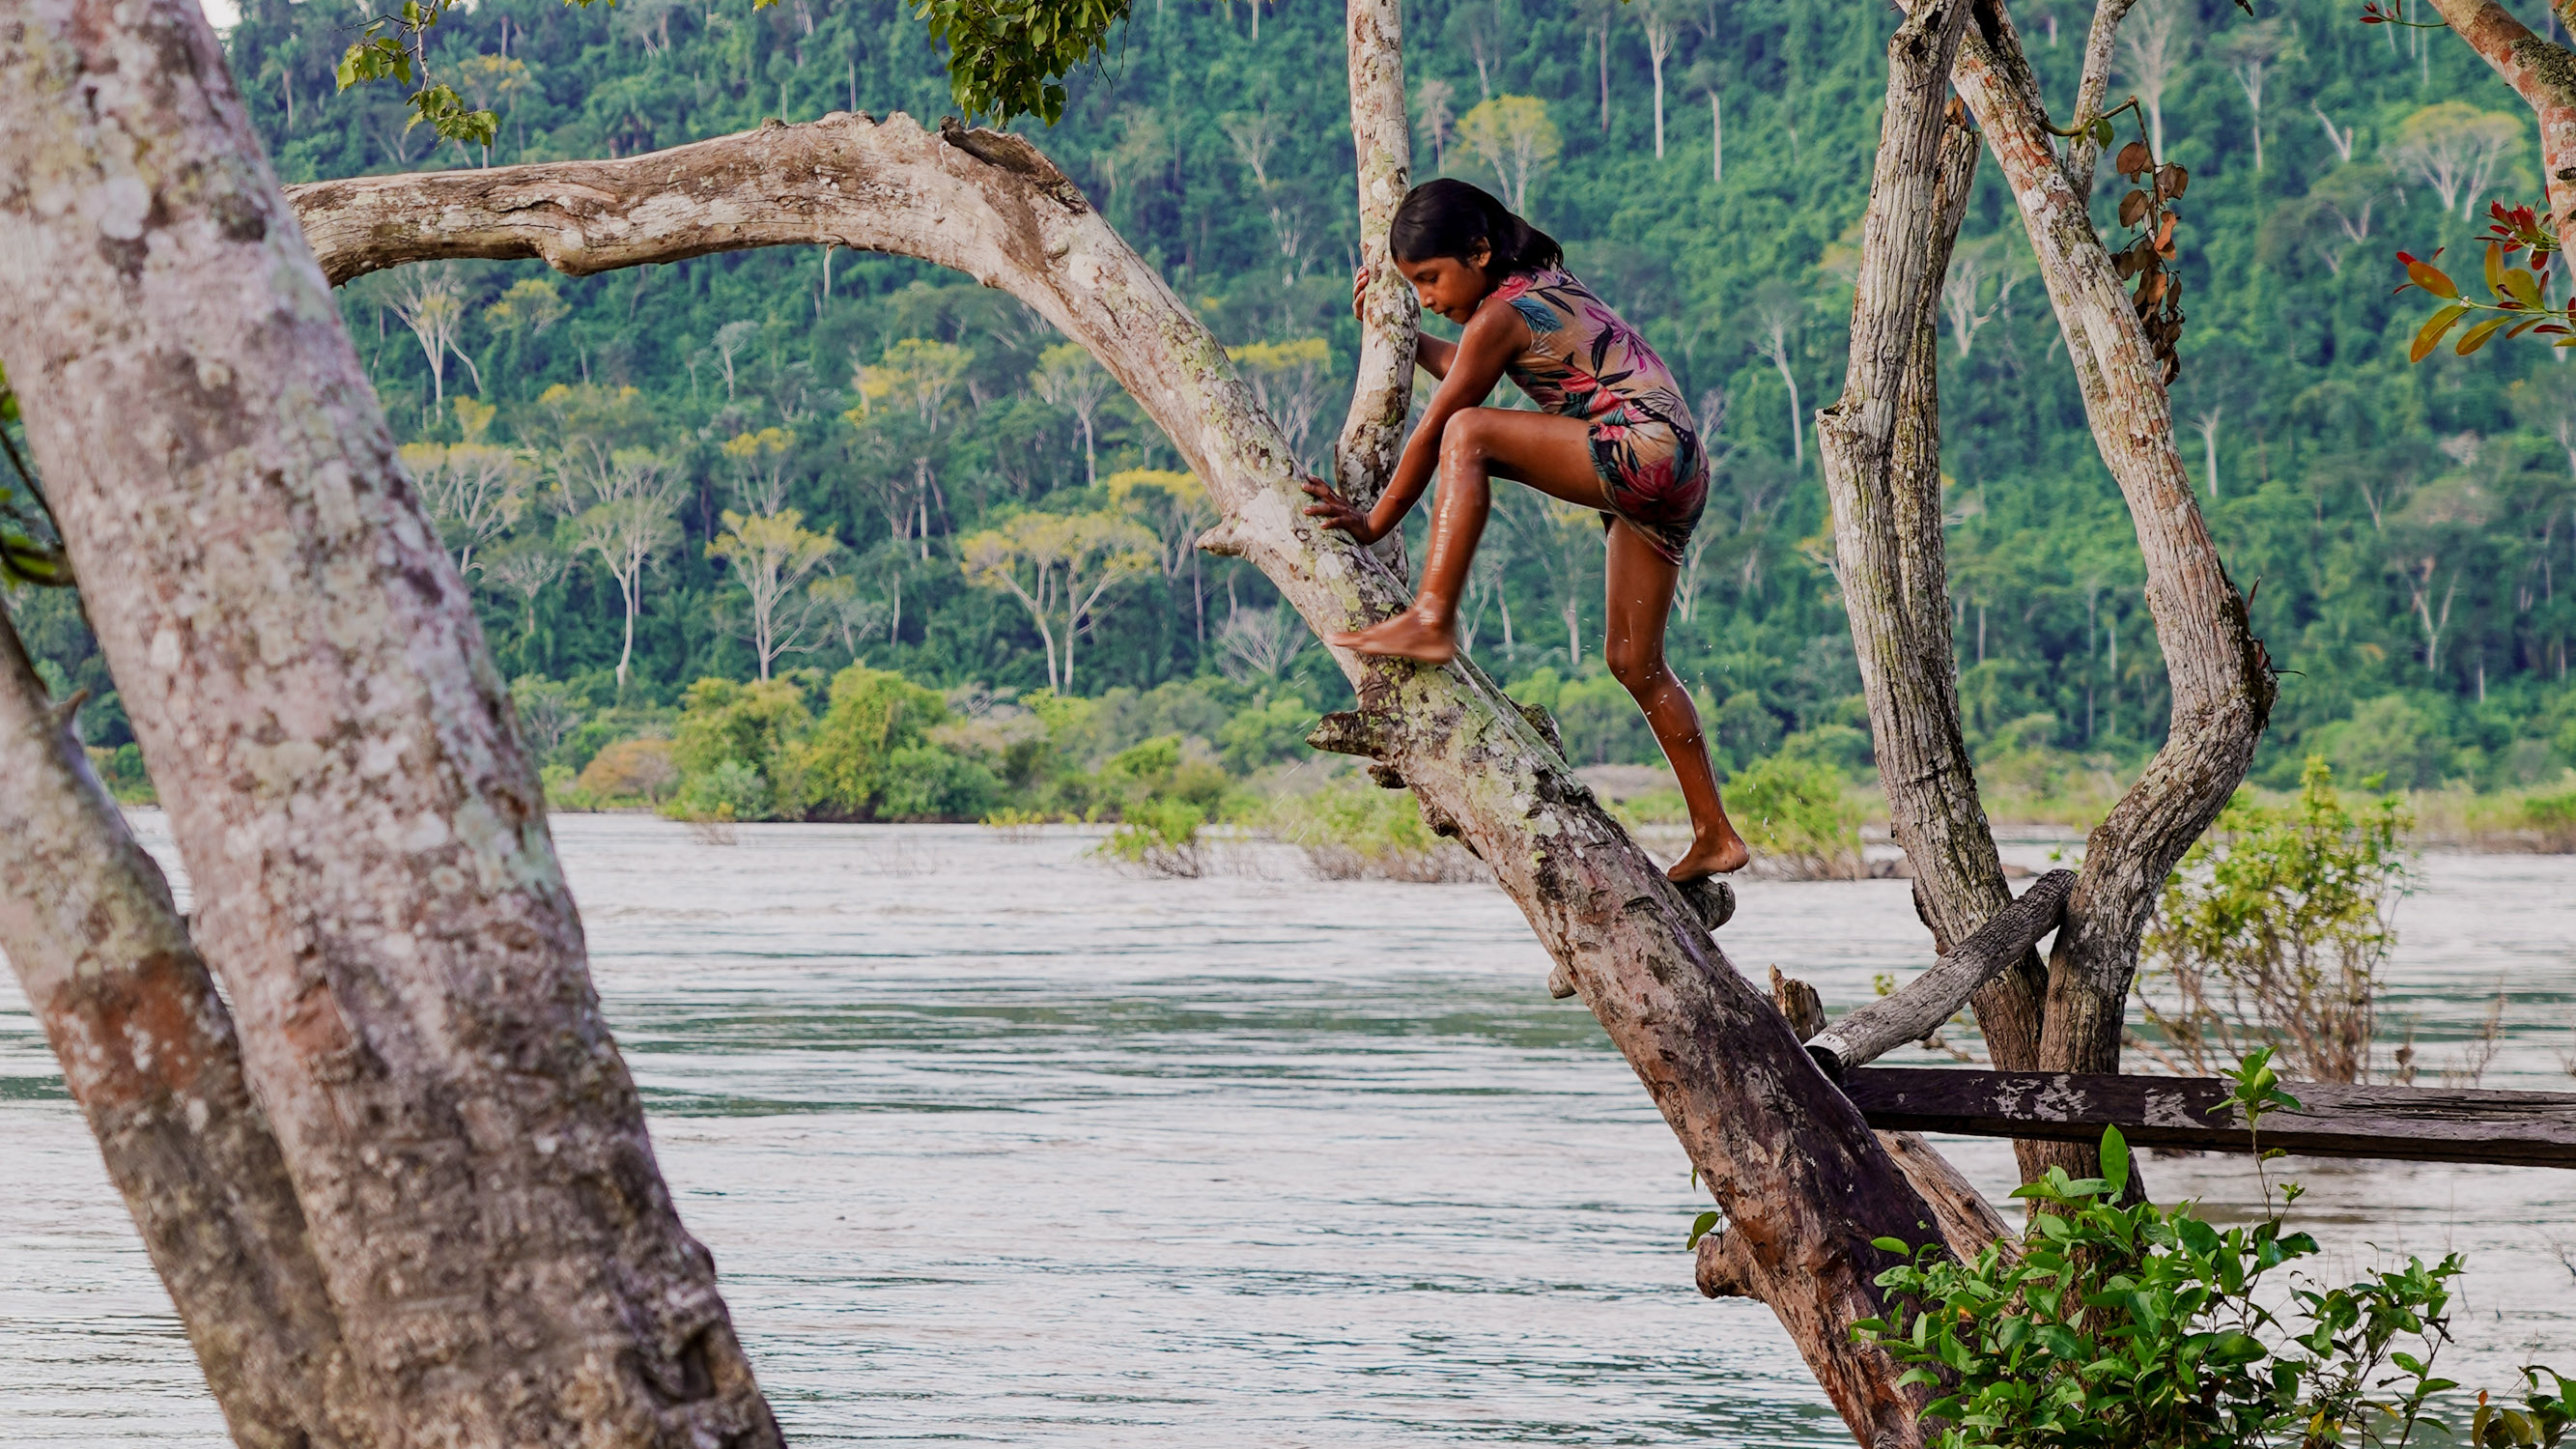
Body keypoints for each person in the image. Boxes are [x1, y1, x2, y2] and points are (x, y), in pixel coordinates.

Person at [1301, 179, 1750, 881]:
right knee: (1635, 662)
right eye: (1411, 285)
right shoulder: (1539, 285)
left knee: (1468, 432)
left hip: (1642, 450)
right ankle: (1714, 833)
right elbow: (1471, 364)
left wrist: (1372, 522)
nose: (1424, 296)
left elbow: (1437, 427)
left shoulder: (1500, 314)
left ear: (1478, 252)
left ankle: (1430, 616)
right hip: (1678, 465)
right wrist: (1399, 337)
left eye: (1429, 278)